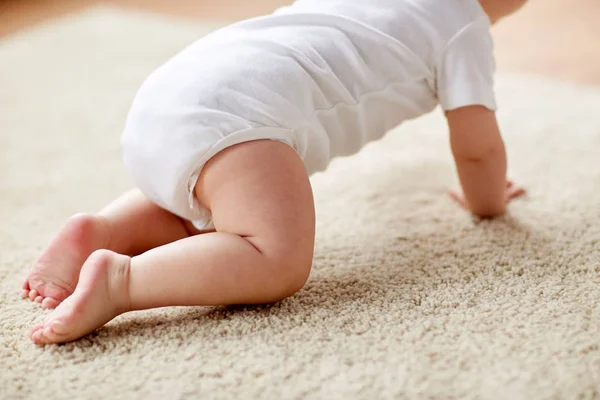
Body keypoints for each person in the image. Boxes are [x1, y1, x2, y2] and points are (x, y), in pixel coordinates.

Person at [23, 0, 527, 344]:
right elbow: (477, 150)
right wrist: (488, 203)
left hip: (173, 89)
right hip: (238, 119)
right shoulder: (465, 27)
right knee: (273, 255)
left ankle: (102, 229)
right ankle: (122, 281)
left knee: (208, 206)